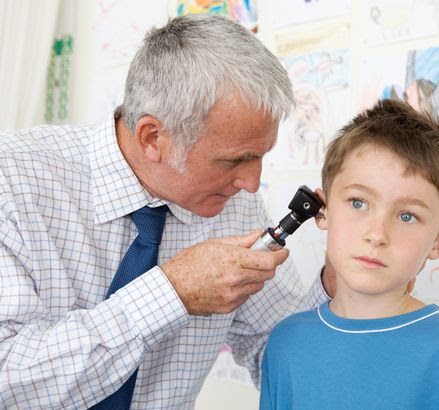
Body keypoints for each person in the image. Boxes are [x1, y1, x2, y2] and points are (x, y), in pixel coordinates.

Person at [0, 15, 333, 409]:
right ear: (153, 138)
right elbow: (10, 381)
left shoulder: (235, 204)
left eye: (260, 157)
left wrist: (343, 280)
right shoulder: (12, 181)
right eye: (235, 160)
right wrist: (171, 292)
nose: (252, 183)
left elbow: (275, 348)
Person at [260, 99, 439, 410]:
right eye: (358, 203)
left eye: (406, 216)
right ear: (323, 212)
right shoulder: (285, 343)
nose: (377, 234)